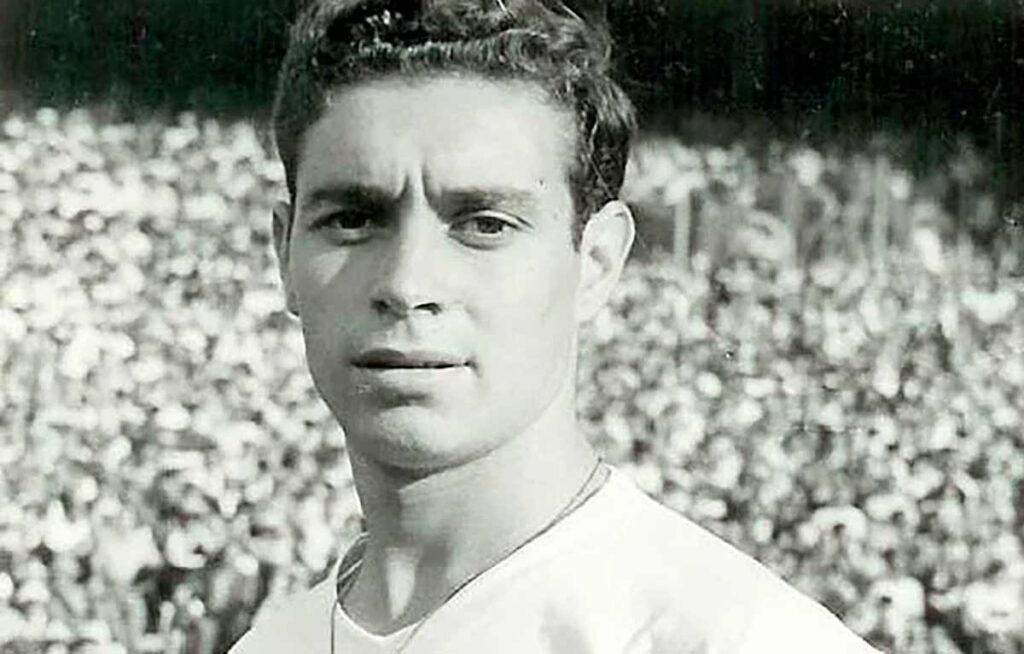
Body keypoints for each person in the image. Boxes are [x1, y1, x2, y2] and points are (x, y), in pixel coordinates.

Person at [229, 0, 884, 651]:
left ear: (596, 263)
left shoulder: (745, 638)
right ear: (284, 254)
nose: (406, 284)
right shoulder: (269, 646)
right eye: (351, 220)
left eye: (485, 225)